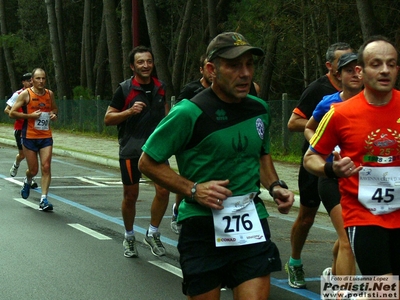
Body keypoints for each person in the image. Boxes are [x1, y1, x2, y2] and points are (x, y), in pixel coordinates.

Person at [139, 32, 294, 300]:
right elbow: (148, 162)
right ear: (212, 70)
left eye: (249, 64)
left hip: (250, 222)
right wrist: (193, 189)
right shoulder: (189, 112)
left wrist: (275, 185)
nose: (245, 73)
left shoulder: (259, 109)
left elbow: (261, 154)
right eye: (234, 66)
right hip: (201, 226)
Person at [304, 35, 400, 297]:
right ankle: (338, 291)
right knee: (386, 290)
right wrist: (331, 169)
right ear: (361, 70)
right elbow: (310, 157)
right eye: (376, 63)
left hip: (399, 212)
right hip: (364, 213)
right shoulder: (340, 112)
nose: (384, 70)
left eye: (391, 64)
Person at [285, 42, 352, 289]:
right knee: (307, 217)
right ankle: (294, 262)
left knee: (349, 229)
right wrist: (322, 136)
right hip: (316, 163)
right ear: (330, 66)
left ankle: (337, 268)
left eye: (354, 61)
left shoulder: (362, 91)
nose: (351, 67)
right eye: (343, 62)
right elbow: (294, 122)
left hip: (348, 168)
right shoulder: (319, 91)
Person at [104, 45, 170, 258]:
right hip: (131, 150)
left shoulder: (161, 87)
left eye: (149, 61)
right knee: (131, 196)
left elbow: (167, 115)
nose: (146, 65)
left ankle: (152, 232)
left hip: (156, 150)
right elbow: (108, 118)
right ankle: (129, 236)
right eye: (141, 62)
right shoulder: (124, 88)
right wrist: (129, 111)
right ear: (133, 66)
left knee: (163, 191)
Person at [304, 52, 361, 279]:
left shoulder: (374, 104)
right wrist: (321, 147)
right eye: (349, 70)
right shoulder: (330, 104)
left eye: (359, 69)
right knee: (348, 239)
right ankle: (343, 293)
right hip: (331, 177)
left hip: (362, 180)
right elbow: (308, 127)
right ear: (338, 75)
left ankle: (334, 275)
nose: (355, 75)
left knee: (349, 234)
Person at [9, 68, 58, 211]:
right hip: (29, 136)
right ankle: (28, 180)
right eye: (38, 78)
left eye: (43, 78)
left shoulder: (49, 94)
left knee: (46, 167)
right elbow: (12, 113)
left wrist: (54, 115)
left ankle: (44, 199)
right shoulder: (25, 94)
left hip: (45, 136)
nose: (41, 81)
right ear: (32, 80)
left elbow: (54, 109)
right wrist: (30, 117)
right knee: (33, 170)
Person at [4, 73, 38, 188]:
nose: (31, 83)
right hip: (20, 129)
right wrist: (19, 115)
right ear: (23, 82)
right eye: (28, 81)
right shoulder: (18, 94)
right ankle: (16, 164)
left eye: (32, 80)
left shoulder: (38, 94)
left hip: (34, 129)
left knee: (32, 154)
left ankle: (30, 178)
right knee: (23, 155)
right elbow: (7, 109)